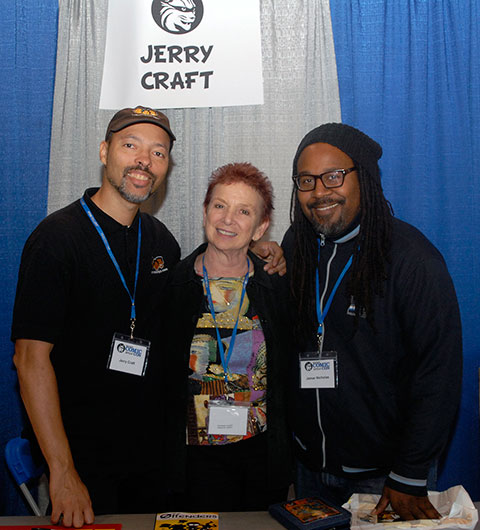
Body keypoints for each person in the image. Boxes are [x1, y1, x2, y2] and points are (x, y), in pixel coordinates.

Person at [11, 106, 285, 528]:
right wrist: (62, 470)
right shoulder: (56, 240)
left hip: (153, 461)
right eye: (130, 145)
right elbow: (29, 361)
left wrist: (263, 252)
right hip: (83, 462)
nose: (144, 160)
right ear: (104, 152)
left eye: (158, 153)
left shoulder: (160, 242)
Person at [282, 123, 462, 520]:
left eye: (333, 176)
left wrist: (409, 474)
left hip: (386, 479)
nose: (319, 192)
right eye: (306, 180)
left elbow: (439, 373)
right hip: (310, 472)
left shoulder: (411, 259)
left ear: (363, 176)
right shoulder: (294, 246)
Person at [163, 162, 292, 512]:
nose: (228, 219)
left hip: (261, 457)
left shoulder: (276, 288)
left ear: (260, 227)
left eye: (244, 211)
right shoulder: (170, 287)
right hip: (189, 460)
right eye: (220, 206)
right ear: (205, 211)